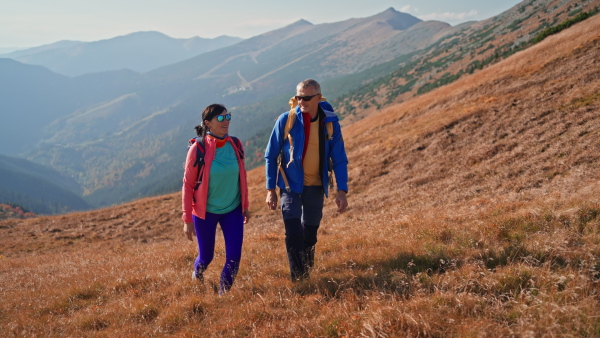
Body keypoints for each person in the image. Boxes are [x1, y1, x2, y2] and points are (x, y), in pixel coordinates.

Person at [265, 79, 349, 281]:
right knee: (293, 232)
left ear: (319, 98)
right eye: (299, 97)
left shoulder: (330, 123)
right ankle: (299, 279)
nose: (301, 101)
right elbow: (270, 155)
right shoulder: (286, 120)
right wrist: (271, 189)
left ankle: (307, 266)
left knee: (310, 233)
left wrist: (342, 190)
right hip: (290, 186)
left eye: (307, 97)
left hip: (316, 186)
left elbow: (339, 158)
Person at [182, 103, 250, 294]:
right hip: (205, 212)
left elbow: (242, 176)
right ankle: (198, 273)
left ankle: (223, 294)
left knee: (234, 257)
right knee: (206, 257)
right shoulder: (198, 149)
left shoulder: (235, 144)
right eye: (220, 118)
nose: (226, 121)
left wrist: (244, 206)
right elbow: (188, 185)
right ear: (208, 123)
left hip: (232, 210)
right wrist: (187, 219)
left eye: (228, 117)